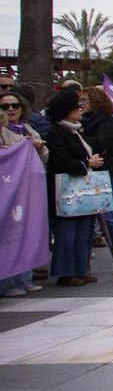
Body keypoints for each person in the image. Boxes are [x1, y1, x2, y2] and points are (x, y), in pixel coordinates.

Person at [45, 90, 103, 286]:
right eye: (77, 106)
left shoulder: (77, 131)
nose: (81, 108)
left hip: (82, 189)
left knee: (84, 232)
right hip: (66, 190)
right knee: (67, 234)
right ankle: (65, 272)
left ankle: (81, 268)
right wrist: (87, 163)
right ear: (65, 109)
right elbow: (60, 161)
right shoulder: (56, 133)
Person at [0, 90, 48, 296]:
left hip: (29, 188)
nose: (11, 109)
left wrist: (39, 149)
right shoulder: (4, 133)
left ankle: (24, 278)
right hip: (9, 190)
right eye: (5, 106)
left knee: (27, 231)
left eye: (15, 105)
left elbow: (43, 159)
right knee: (10, 234)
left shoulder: (29, 129)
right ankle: (8, 283)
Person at [81, 87, 113, 276]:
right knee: (87, 219)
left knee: (109, 217)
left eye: (85, 99)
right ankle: (84, 261)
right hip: (86, 173)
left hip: (106, 172)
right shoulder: (79, 123)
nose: (81, 104)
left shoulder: (108, 121)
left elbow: (102, 144)